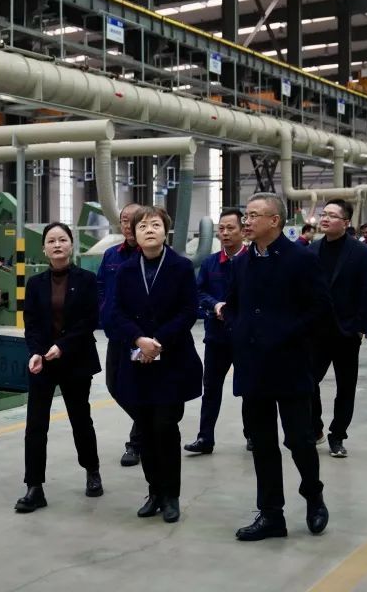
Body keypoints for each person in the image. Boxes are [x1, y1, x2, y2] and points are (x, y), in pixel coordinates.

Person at [219, 192, 330, 541]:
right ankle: (271, 515)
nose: (247, 221)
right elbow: (233, 305)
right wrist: (238, 329)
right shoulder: (241, 262)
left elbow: (319, 309)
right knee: (262, 443)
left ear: (275, 221)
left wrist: (283, 334)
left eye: (254, 215)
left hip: (290, 364)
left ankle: (313, 496)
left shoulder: (301, 259)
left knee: (299, 440)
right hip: (253, 367)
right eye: (247, 215)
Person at [109, 206, 203, 523]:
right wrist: (138, 339)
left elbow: (188, 310)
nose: (149, 230)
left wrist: (158, 340)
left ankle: (171, 495)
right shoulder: (125, 270)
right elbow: (116, 312)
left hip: (171, 359)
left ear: (166, 231)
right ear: (134, 235)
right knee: (146, 430)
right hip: (138, 360)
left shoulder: (181, 267)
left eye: (155, 225)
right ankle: (154, 492)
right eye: (142, 226)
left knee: (166, 427)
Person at [16, 222, 102, 513]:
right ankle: (34, 487)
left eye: (62, 240)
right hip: (43, 362)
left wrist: (62, 346)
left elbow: (89, 321)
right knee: (35, 425)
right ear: (44, 249)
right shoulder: (35, 284)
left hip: (76, 359)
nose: (57, 245)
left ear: (71, 245)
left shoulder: (87, 280)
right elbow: (31, 324)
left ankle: (92, 471)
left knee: (80, 419)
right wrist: (35, 353)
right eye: (51, 241)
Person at [309, 200, 367, 459]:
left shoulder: (361, 252)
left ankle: (337, 435)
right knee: (307, 381)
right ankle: (315, 427)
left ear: (346, 222)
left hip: (346, 331)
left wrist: (360, 329)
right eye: (323, 214)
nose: (325, 219)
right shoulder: (312, 250)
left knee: (345, 388)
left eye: (332, 215)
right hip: (316, 331)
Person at [185, 208, 249, 455]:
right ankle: (205, 437)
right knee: (211, 388)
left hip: (245, 337)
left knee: (249, 388)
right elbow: (198, 292)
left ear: (243, 231)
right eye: (221, 229)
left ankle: (252, 434)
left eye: (231, 228)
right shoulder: (210, 262)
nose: (225, 233)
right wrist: (215, 305)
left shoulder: (253, 260)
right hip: (217, 337)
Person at [96, 202, 143, 467]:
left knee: (140, 386)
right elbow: (101, 286)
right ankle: (150, 425)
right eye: (124, 220)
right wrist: (104, 311)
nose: (128, 225)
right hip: (117, 335)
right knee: (115, 386)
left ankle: (136, 443)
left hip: (141, 339)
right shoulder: (111, 255)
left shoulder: (152, 254)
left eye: (134, 220)